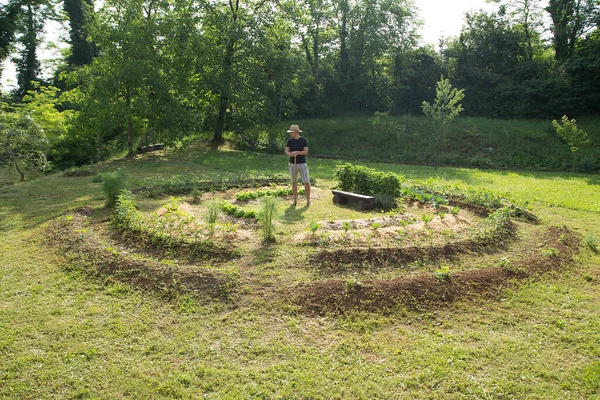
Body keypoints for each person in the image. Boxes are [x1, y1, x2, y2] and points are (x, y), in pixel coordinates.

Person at [285, 124, 310, 206]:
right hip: (292, 164)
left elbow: (305, 152)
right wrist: (290, 154)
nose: (290, 134)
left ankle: (308, 200)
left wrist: (298, 152)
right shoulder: (289, 141)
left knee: (306, 181)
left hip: (302, 163)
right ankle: (295, 200)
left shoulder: (303, 140)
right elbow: (286, 151)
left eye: (291, 132)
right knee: (294, 182)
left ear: (296, 132)